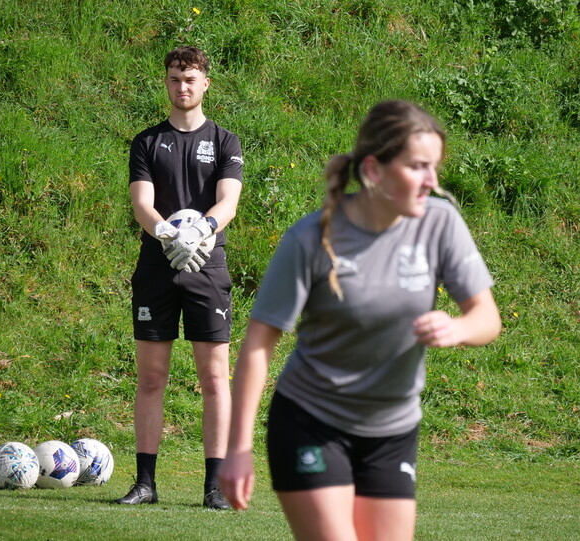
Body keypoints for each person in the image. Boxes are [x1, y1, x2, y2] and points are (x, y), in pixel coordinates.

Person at [219, 100, 501, 539]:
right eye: (419, 167)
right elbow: (258, 344)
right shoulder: (310, 239)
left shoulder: (440, 223)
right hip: (311, 422)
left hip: (393, 431)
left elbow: (487, 317)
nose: (433, 182)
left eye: (435, 167)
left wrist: (458, 327)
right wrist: (238, 449)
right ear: (373, 171)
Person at [113, 46, 243, 510]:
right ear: (166, 83)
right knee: (151, 378)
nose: (182, 86)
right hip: (157, 266)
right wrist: (169, 233)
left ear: (205, 83)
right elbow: (142, 205)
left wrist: (202, 229)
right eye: (174, 78)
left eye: (190, 79)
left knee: (214, 379)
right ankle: (145, 483)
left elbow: (227, 202)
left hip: (207, 267)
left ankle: (215, 488)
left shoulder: (226, 142)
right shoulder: (146, 142)